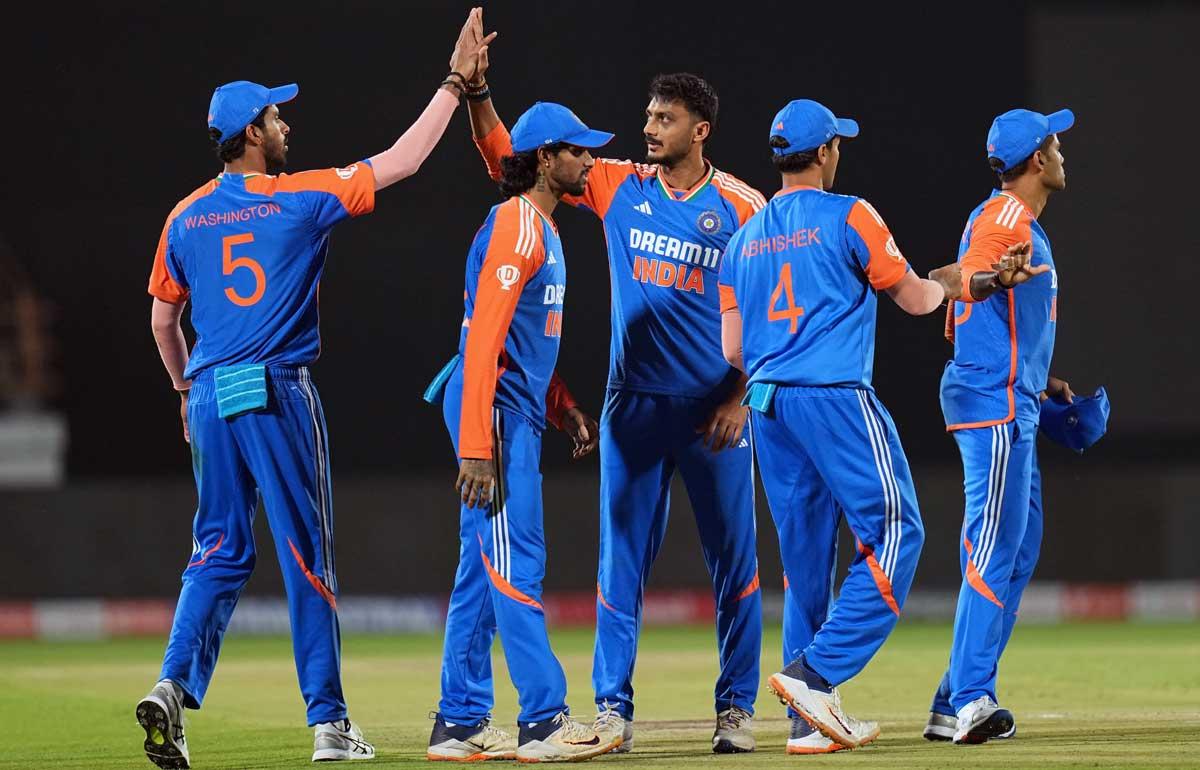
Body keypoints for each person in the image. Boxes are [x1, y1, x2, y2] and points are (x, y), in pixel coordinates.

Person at [138, 10, 494, 768]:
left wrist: (180, 393)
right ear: (250, 134)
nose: (286, 121)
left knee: (216, 551)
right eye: (275, 114)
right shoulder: (301, 198)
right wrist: (454, 84)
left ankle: (172, 684)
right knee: (306, 559)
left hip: (209, 394)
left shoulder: (183, 216)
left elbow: (164, 320)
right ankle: (329, 727)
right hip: (273, 389)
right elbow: (401, 160)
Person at [465, 29, 765, 753]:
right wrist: (476, 93)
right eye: (649, 118)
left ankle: (736, 710)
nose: (649, 129)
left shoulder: (745, 206)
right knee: (619, 565)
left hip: (713, 414)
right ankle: (612, 711)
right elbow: (511, 159)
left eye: (663, 120)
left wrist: (739, 398)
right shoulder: (620, 183)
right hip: (633, 408)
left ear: (701, 130)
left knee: (738, 568)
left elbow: (774, 312)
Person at [718, 98, 1032, 753]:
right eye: (839, 147)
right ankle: (816, 675)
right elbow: (916, 299)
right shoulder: (851, 214)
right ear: (827, 152)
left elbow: (732, 353)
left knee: (805, 567)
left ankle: (810, 723)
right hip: (832, 395)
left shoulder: (743, 238)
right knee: (897, 533)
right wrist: (967, 284)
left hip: (768, 406)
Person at [424, 101, 623, 763]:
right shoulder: (519, 225)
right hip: (494, 410)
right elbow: (483, 339)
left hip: (510, 403)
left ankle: (458, 722)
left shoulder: (539, 225)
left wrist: (560, 401)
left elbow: (518, 338)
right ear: (545, 159)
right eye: (579, 150)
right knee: (516, 558)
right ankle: (543, 721)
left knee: (482, 568)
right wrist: (480, 445)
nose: (590, 161)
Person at [923, 107, 1074, 745]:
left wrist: (1047, 376)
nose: (1064, 152)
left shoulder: (1008, 217)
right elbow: (945, 280)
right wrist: (990, 279)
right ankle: (972, 701)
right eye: (1056, 143)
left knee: (1017, 547)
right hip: (994, 402)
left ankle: (951, 696)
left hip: (1015, 396)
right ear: (1037, 160)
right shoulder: (1007, 216)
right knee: (991, 548)